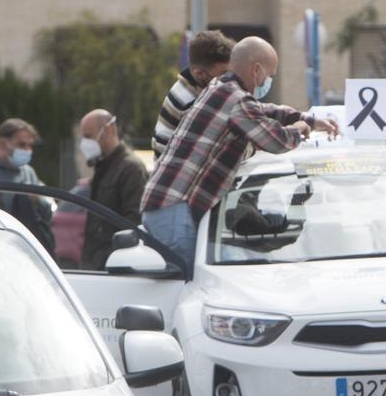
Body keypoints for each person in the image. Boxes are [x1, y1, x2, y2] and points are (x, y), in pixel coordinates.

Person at [140, 36, 338, 271]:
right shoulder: (236, 100)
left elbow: (265, 111)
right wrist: (298, 130)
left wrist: (309, 120)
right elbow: (275, 141)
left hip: (167, 203)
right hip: (173, 208)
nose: (269, 81)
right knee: (188, 286)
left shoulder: (220, 89)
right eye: (271, 75)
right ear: (257, 70)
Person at [0, 118, 55, 251]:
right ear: (3, 144)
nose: (27, 150)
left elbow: (48, 214)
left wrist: (37, 200)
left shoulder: (28, 172)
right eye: (21, 145)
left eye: (30, 145)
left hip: (25, 249)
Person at [77, 109, 148, 270]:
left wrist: (109, 260)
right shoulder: (103, 168)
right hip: (95, 267)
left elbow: (134, 225)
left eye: (88, 136)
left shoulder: (131, 169)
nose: (84, 143)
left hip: (114, 269)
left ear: (107, 130)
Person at [152, 30, 235, 158]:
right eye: (222, 74)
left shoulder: (189, 83)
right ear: (199, 74)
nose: (229, 80)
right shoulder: (192, 104)